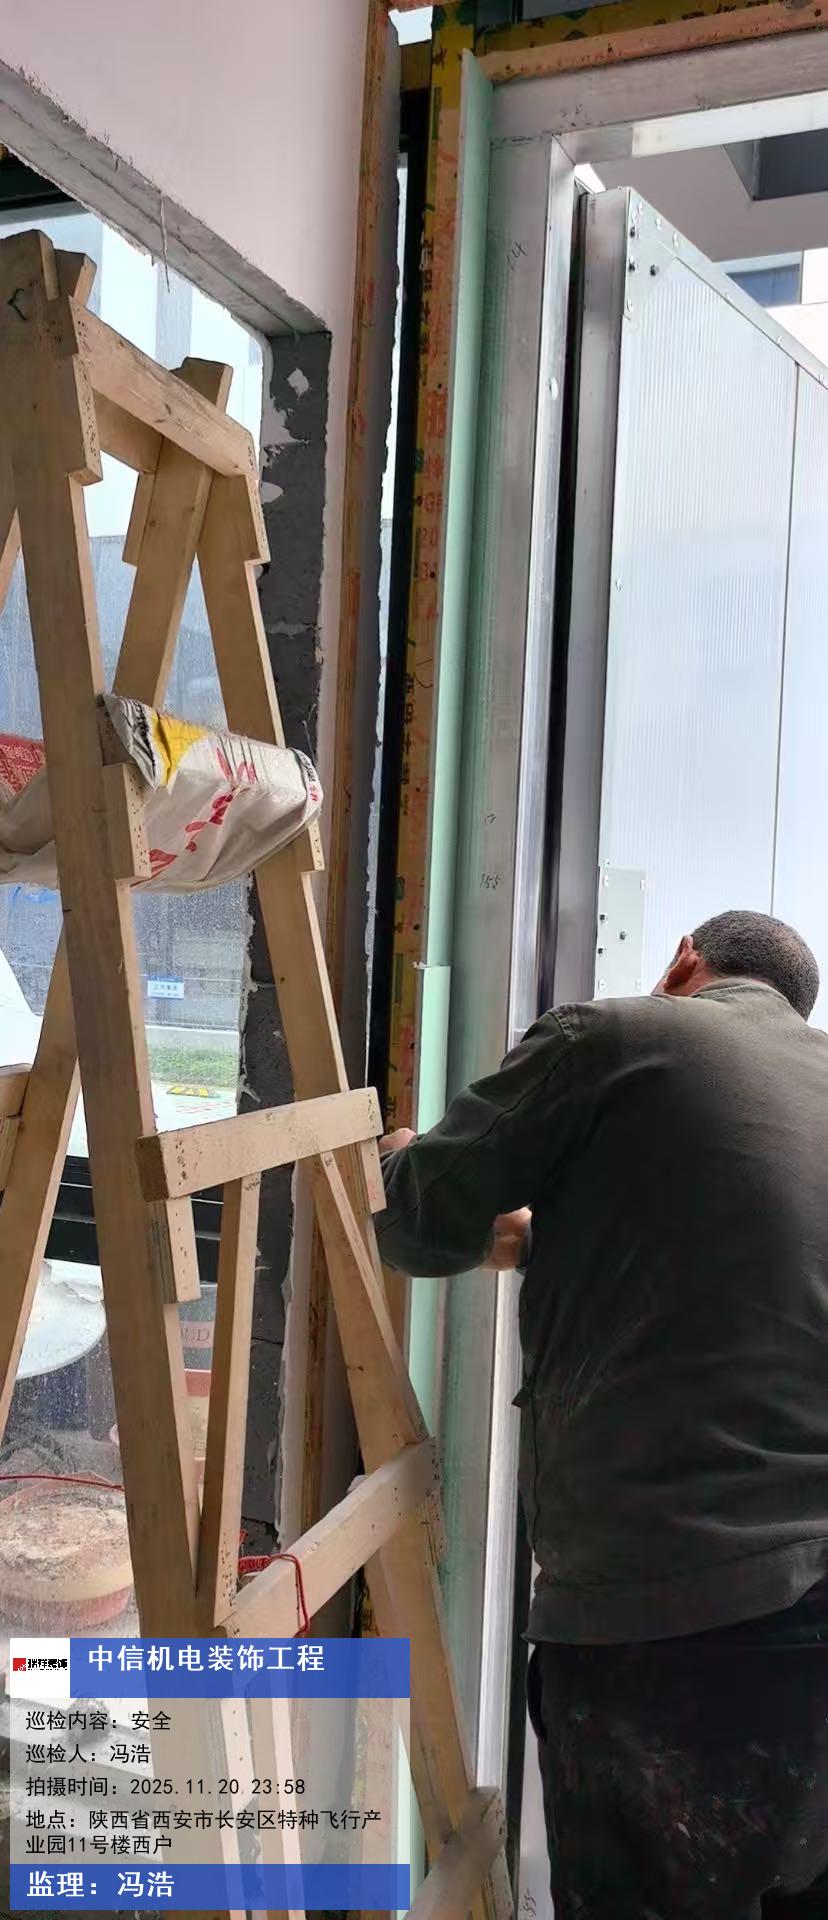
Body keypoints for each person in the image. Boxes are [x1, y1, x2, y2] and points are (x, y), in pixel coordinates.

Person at [376, 910, 828, 1920]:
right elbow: (743, 1263)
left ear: (684, 960)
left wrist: (395, 1158)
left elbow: (418, 1219)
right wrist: (552, 1239)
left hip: (670, 1623)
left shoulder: (616, 1035)